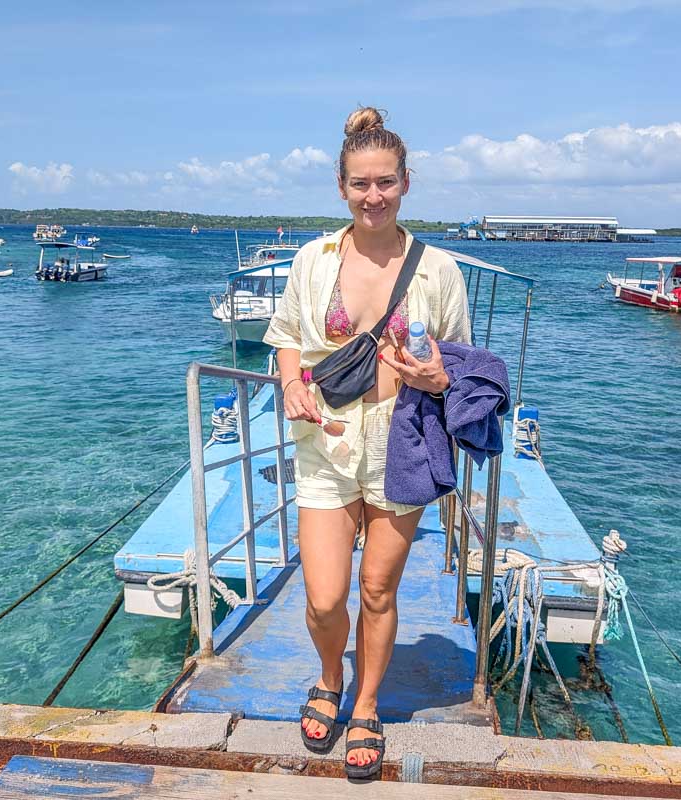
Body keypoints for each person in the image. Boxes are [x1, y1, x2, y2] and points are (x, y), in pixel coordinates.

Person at [263, 106, 471, 778]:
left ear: (405, 182)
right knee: (325, 597)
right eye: (361, 184)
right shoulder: (312, 259)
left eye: (386, 182)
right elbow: (288, 338)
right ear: (341, 186)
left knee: (377, 592)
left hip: (402, 442)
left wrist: (438, 376)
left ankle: (366, 704)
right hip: (324, 441)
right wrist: (292, 385)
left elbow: (461, 367)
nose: (374, 195)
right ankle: (330, 676)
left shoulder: (438, 270)